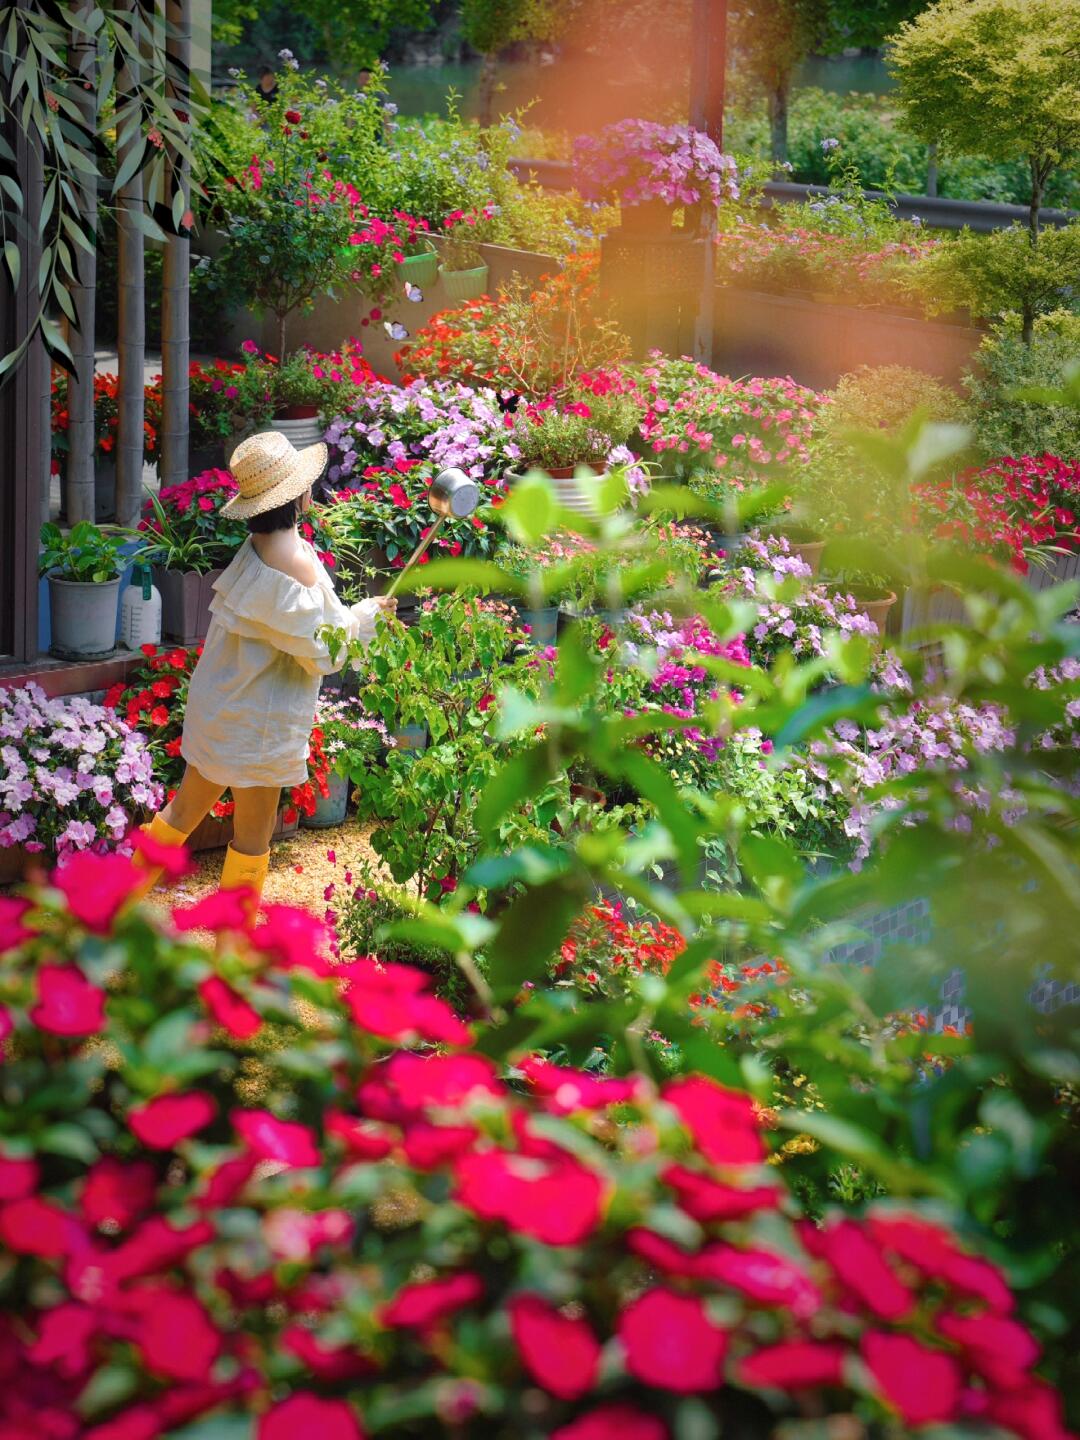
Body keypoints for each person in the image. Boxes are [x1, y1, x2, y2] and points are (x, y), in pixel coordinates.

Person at [134, 431, 396, 906]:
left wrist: (355, 618)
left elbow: (309, 633)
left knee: (179, 814)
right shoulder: (295, 562)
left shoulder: (257, 549)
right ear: (298, 494)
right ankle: (233, 960)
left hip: (221, 708)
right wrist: (367, 617)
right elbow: (326, 649)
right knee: (250, 843)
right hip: (258, 723)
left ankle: (106, 911)